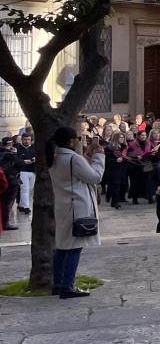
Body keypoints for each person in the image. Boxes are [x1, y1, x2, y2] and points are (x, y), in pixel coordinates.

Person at [48, 125, 105, 298]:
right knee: (74, 247)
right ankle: (68, 286)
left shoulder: (54, 157)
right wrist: (99, 156)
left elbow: (79, 173)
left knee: (62, 247)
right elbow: (95, 177)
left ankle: (58, 284)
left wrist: (87, 155)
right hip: (77, 207)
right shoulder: (73, 159)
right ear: (71, 141)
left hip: (63, 206)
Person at [16, 131, 36, 215]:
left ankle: (21, 205)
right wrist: (23, 161)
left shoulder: (34, 148)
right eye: (25, 139)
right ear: (22, 140)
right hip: (22, 171)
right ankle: (26, 207)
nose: (27, 141)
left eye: (28, 139)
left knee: (29, 190)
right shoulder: (18, 148)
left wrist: (35, 159)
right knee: (25, 189)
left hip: (33, 171)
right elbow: (15, 160)